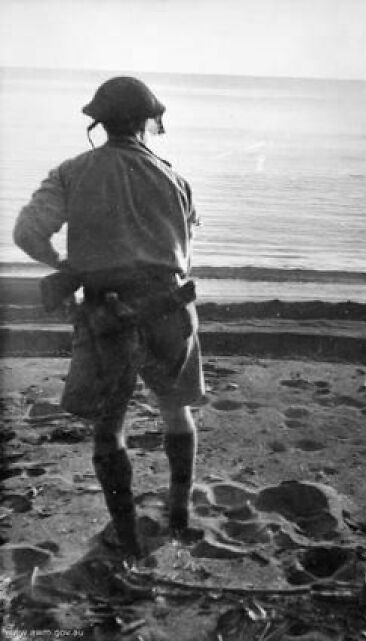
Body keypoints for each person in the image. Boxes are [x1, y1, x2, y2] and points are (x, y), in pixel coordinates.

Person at [13, 76, 205, 558]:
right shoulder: (176, 178)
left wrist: (63, 266)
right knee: (175, 408)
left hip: (107, 311)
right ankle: (179, 511)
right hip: (169, 306)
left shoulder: (73, 171)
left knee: (109, 426)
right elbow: (184, 247)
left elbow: (27, 232)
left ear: (98, 122)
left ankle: (126, 532)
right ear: (147, 121)